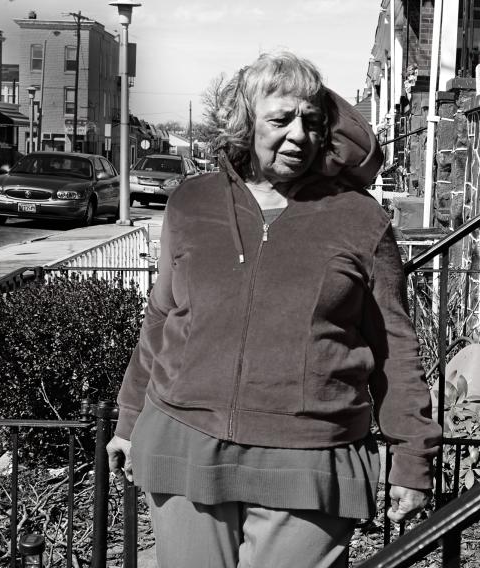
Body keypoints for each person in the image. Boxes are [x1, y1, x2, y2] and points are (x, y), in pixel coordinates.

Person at [107, 51, 441, 567]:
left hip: (308, 458)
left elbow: (394, 346)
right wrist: (130, 420)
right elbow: (162, 317)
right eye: (281, 119)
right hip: (185, 445)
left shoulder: (360, 220)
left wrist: (412, 456)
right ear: (245, 124)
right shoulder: (191, 204)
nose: (299, 135)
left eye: (311, 121)